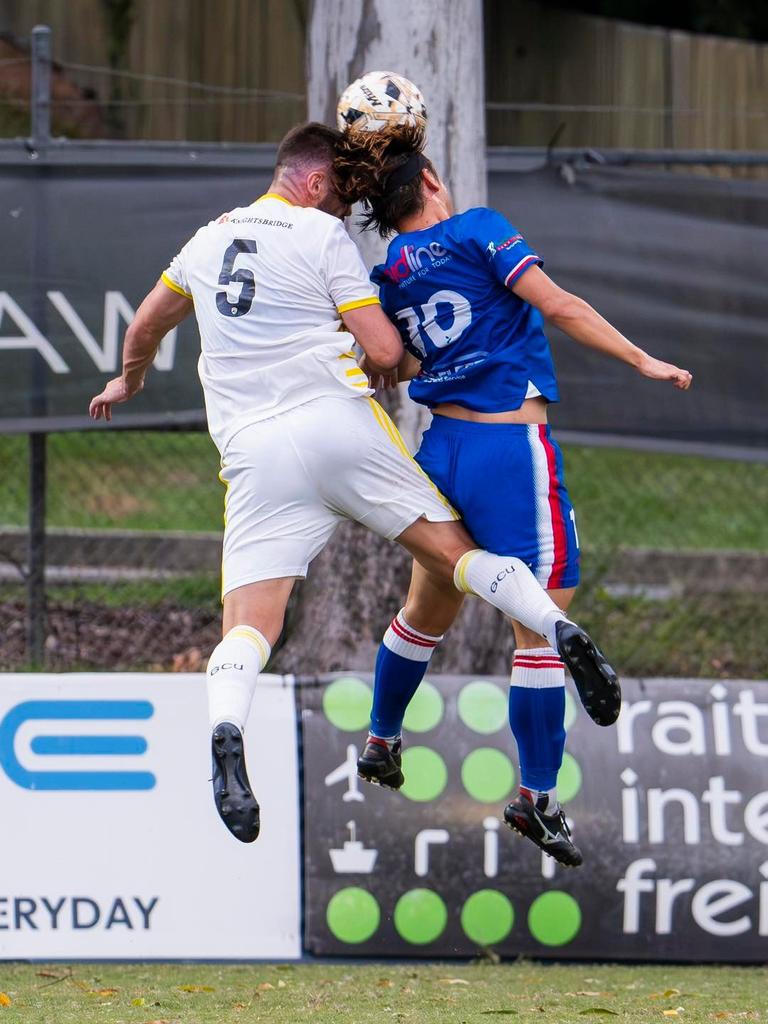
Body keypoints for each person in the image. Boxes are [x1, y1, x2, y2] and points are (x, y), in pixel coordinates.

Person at [89, 122, 619, 849]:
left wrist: (131, 377)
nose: (343, 209)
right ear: (311, 183)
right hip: (339, 429)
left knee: (249, 624)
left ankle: (224, 729)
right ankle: (559, 631)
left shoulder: (206, 241)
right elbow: (380, 349)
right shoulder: (321, 235)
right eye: (338, 194)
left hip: (254, 454)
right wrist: (390, 350)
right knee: (455, 556)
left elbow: (149, 321)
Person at [333, 126, 692, 866]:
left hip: (439, 452)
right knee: (541, 626)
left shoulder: (389, 272)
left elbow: (389, 365)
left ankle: (380, 738)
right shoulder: (478, 230)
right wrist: (641, 358)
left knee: (425, 612)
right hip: (508, 450)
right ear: (431, 182)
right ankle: (536, 795)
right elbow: (557, 304)